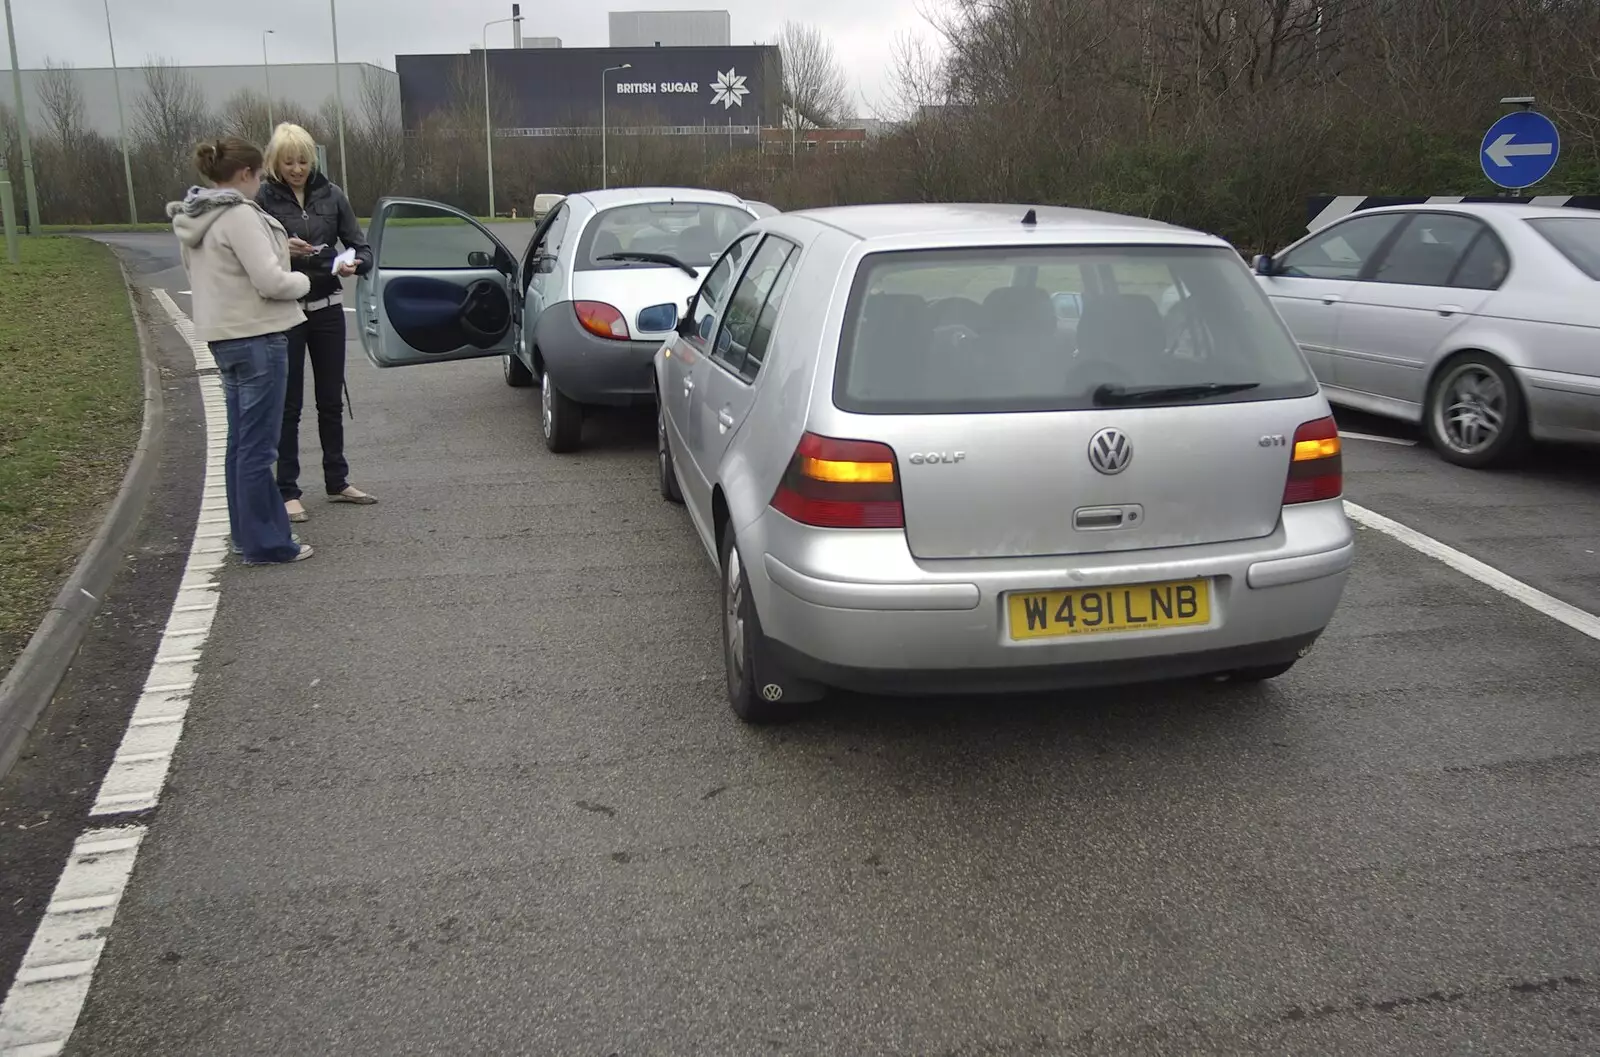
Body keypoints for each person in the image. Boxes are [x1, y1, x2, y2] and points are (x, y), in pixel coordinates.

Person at [168, 138, 314, 566]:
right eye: (260, 176)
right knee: (259, 449)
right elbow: (270, 283)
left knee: (240, 444)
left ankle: (244, 532)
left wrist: (278, 249)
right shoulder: (240, 215)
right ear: (247, 174)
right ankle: (267, 543)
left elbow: (216, 267)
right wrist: (304, 284)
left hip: (223, 336)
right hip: (258, 336)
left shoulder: (196, 215)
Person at [256, 121, 377, 524]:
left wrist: (356, 261)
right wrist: (281, 248)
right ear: (275, 162)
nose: (297, 168)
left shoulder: (332, 195)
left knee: (330, 400)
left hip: (327, 307)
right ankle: (288, 490)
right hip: (285, 311)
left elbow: (360, 244)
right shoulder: (260, 201)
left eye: (303, 160)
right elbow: (249, 258)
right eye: (289, 162)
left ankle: (337, 479)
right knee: (288, 405)